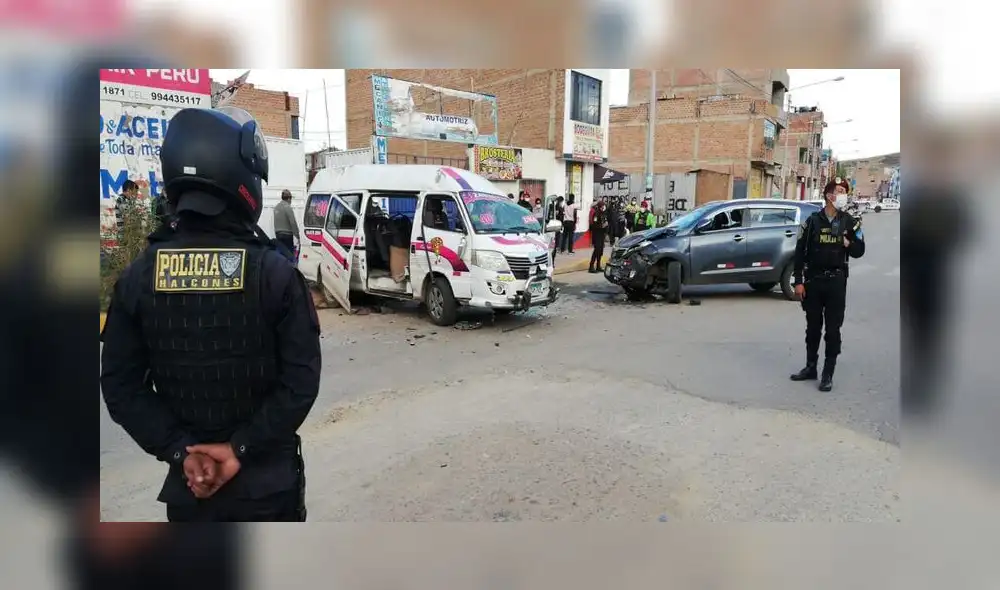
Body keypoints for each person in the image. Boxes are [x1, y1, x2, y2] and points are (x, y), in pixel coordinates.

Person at [100, 106, 322, 522]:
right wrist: (240, 448)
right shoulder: (274, 274)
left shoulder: (137, 277)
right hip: (267, 490)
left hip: (190, 492)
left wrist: (181, 451)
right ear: (243, 179)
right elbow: (300, 382)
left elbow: (120, 386)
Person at [790, 177, 866, 392]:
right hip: (813, 282)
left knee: (833, 331)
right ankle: (811, 367)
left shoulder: (851, 222)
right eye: (839, 191)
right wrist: (798, 282)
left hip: (836, 283)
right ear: (829, 195)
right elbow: (799, 253)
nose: (842, 195)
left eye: (844, 191)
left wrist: (848, 242)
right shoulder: (812, 221)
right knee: (812, 329)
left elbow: (860, 251)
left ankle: (827, 374)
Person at [273, 189, 300, 262]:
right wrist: (298, 235)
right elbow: (293, 222)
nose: (291, 201)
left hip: (278, 234)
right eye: (291, 199)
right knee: (289, 256)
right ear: (289, 198)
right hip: (287, 235)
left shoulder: (276, 207)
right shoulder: (287, 207)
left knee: (281, 254)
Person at [589, 199, 609, 273]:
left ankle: (598, 266)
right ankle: (591, 266)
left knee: (600, 251)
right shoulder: (596, 214)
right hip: (597, 234)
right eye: (603, 206)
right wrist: (602, 226)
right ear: (600, 206)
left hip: (602, 235)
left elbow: (606, 223)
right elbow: (594, 225)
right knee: (596, 250)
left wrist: (606, 228)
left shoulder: (604, 214)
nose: (604, 207)